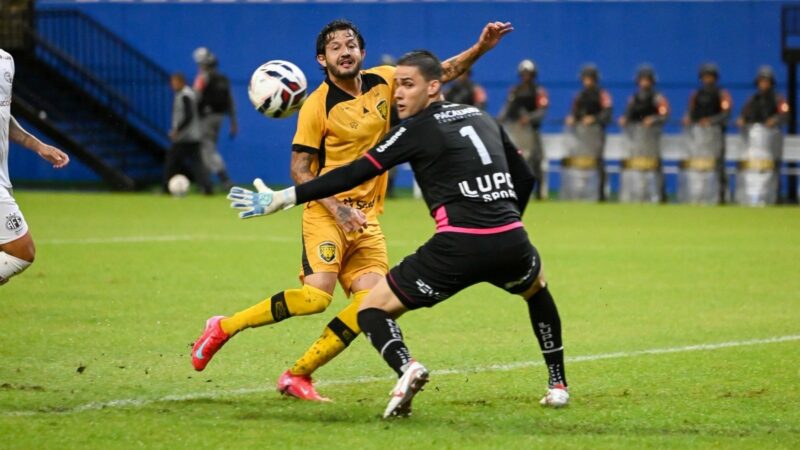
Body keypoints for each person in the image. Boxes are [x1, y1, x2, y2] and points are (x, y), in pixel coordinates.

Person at [228, 50, 569, 418]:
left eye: (407, 85)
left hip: (457, 245)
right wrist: (505, 221)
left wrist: (284, 197)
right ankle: (558, 385)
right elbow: (526, 178)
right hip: (512, 238)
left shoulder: (413, 129)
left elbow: (352, 173)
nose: (398, 94)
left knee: (371, 307)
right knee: (537, 292)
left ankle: (408, 368)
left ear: (434, 87)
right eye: (397, 85)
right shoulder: (482, 116)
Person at [191, 20, 514, 402]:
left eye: (351, 44)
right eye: (335, 47)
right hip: (326, 213)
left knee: (372, 303)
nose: (344, 51)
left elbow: (439, 73)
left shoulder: (385, 80)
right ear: (321, 59)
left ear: (362, 51)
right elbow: (300, 169)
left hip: (367, 219)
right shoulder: (316, 105)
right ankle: (224, 327)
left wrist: (482, 47)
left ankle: (298, 375)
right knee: (315, 299)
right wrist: (337, 207)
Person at [1, 48, 70, 286]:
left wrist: (37, 145)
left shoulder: (5, 60)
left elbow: (3, 115)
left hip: (2, 176)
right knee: (20, 252)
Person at [735, 66, 790, 204]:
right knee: (752, 169)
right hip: (753, 144)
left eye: (766, 81)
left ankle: (773, 197)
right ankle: (750, 198)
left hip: (770, 142)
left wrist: (775, 120)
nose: (763, 84)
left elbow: (785, 114)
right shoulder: (753, 99)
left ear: (771, 82)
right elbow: (744, 115)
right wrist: (741, 120)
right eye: (761, 81)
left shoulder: (778, 99)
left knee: (771, 168)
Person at [618, 64, 670, 203]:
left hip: (651, 139)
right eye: (642, 80)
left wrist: (654, 119)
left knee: (652, 166)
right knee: (635, 167)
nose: (644, 83)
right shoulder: (634, 98)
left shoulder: (658, 97)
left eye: (647, 80)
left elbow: (664, 115)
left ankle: (658, 196)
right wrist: (624, 119)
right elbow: (627, 114)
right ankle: (635, 196)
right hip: (635, 139)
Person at [497, 59, 548, 199]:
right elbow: (507, 107)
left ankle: (539, 193)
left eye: (529, 74)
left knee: (536, 160)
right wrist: (499, 120)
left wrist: (529, 118)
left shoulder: (539, 91)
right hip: (515, 131)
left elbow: (542, 111)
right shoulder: (515, 91)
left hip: (532, 131)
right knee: (514, 160)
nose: (526, 77)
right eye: (523, 74)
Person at [681, 63, 732, 204]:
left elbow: (726, 113)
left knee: (717, 165)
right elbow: (690, 112)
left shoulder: (722, 94)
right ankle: (698, 196)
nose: (707, 79)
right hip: (697, 138)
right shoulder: (696, 95)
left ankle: (721, 197)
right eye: (705, 76)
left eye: (710, 76)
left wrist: (711, 121)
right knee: (698, 166)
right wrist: (688, 119)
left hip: (715, 136)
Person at [563, 64, 612, 201]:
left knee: (597, 162)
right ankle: (579, 194)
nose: (587, 81)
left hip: (596, 135)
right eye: (585, 78)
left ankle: (601, 195)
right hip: (580, 136)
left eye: (590, 78)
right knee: (580, 164)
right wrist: (572, 118)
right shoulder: (579, 96)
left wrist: (594, 119)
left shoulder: (602, 94)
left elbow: (607, 114)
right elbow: (574, 112)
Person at [192, 47, 237, 190]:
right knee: (206, 149)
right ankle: (206, 183)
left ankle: (224, 179)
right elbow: (230, 102)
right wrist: (233, 122)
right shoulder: (223, 79)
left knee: (208, 149)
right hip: (220, 117)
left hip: (206, 117)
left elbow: (196, 97)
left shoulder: (203, 78)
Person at [165, 73, 213, 195]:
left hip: (185, 137)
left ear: (181, 82)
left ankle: (165, 188)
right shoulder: (188, 94)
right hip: (194, 136)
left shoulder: (185, 95)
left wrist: (177, 130)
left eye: (174, 82)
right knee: (197, 164)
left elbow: (189, 115)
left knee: (171, 162)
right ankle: (207, 189)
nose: (172, 85)